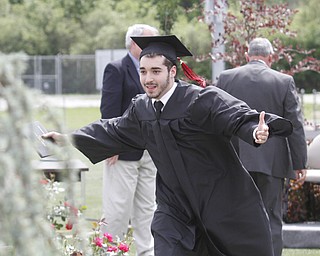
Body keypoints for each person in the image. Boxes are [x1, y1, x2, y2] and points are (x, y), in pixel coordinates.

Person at [44, 35, 294, 256]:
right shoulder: (141, 108)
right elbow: (113, 128)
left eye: (155, 71)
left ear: (172, 72)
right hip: (174, 206)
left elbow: (237, 116)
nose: (148, 79)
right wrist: (69, 138)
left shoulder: (201, 100)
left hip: (220, 201)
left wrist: (256, 131)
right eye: (143, 71)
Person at [216, 37, 307, 256]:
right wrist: (299, 163)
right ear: (271, 58)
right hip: (271, 163)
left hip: (235, 160)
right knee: (271, 218)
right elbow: (294, 125)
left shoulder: (226, 78)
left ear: (247, 56)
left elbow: (216, 119)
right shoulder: (284, 81)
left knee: (236, 216)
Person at [99, 24, 158, 256]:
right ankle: (110, 251)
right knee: (118, 211)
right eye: (150, 41)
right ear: (135, 43)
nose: (155, 46)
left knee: (148, 210)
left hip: (150, 151)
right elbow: (109, 110)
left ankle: (148, 253)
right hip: (122, 153)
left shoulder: (155, 70)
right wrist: (111, 144)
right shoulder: (116, 69)